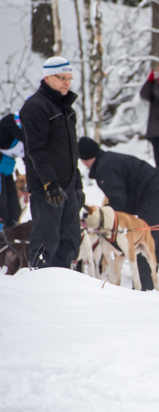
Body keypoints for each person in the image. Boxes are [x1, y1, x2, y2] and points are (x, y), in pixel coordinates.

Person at [78, 137, 159, 291]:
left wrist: (105, 220)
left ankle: (143, 291)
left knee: (145, 244)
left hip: (155, 196)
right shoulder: (108, 160)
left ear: (83, 160)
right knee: (153, 246)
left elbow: (119, 200)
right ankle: (148, 289)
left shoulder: (104, 168)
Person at [18, 56, 83, 268]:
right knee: (47, 241)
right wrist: (49, 183)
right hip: (48, 187)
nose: (66, 82)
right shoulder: (35, 107)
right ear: (47, 77)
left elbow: (71, 151)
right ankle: (42, 287)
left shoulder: (66, 108)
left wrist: (77, 184)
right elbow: (36, 149)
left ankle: (61, 288)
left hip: (69, 185)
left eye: (69, 78)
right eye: (61, 77)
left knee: (70, 240)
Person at [0, 113, 25, 228]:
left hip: (7, 173)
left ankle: (10, 234)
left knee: (14, 211)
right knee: (2, 210)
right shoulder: (12, 121)